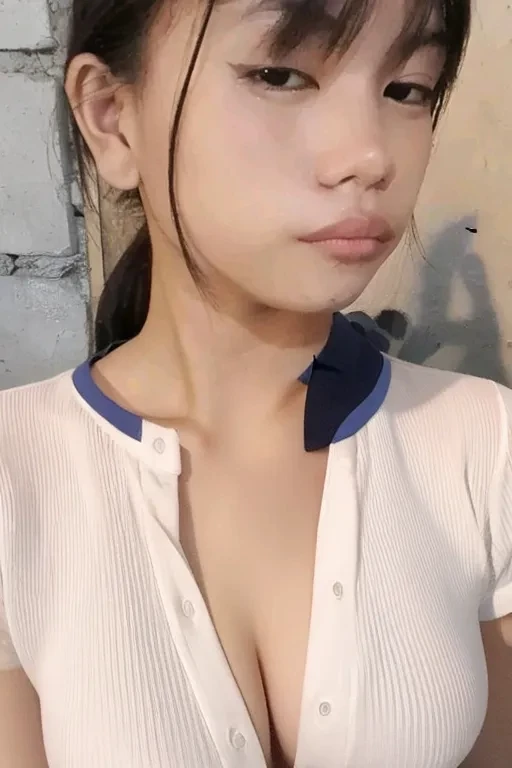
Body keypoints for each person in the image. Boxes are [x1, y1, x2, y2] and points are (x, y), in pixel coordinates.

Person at [0, 0, 510, 766]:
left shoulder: (485, 445)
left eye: (407, 88)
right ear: (111, 117)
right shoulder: (17, 474)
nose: (370, 156)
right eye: (280, 74)